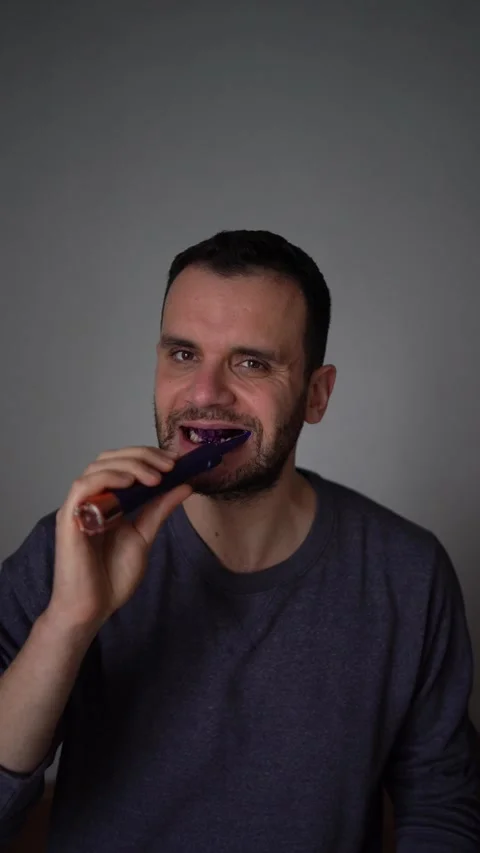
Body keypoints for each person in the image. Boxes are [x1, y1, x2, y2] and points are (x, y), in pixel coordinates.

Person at [0, 230, 479, 853]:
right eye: (182, 355)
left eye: (251, 363)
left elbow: (443, 810)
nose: (204, 395)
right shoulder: (67, 546)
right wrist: (68, 622)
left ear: (316, 393)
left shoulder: (408, 573)